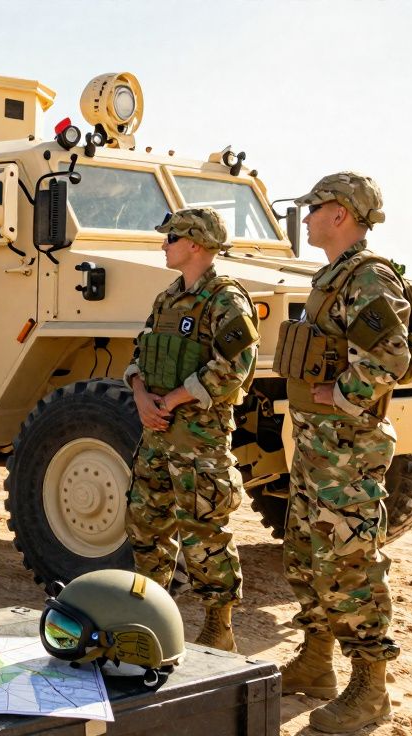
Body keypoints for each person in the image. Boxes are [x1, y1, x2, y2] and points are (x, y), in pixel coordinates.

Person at [275, 172, 406, 733]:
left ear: (342, 214)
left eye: (315, 207)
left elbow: (392, 356)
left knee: (350, 565)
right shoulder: (330, 278)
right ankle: (316, 662)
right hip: (317, 448)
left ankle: (370, 689)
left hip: (348, 453)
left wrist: (342, 393)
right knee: (308, 558)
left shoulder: (368, 278)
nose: (305, 217)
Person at [123, 207, 258, 653]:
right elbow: (140, 352)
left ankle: (219, 628)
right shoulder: (166, 299)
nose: (163, 245)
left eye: (171, 239)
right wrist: (141, 395)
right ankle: (150, 616)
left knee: (203, 532)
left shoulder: (226, 300)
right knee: (145, 526)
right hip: (156, 435)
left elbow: (235, 369)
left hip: (198, 442)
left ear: (195, 244)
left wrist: (174, 399)